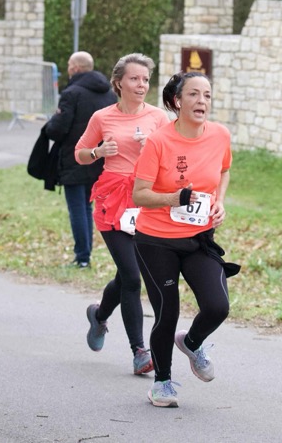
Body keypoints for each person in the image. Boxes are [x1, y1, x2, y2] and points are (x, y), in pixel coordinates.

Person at [133, 72, 234, 408]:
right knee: (167, 313)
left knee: (218, 306)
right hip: (156, 241)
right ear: (177, 101)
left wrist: (219, 202)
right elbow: (140, 194)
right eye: (193, 94)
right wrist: (173, 198)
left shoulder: (220, 135)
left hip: (199, 238)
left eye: (207, 95)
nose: (201, 101)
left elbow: (224, 171)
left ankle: (191, 343)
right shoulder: (158, 141)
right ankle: (161, 383)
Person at [74, 53, 170, 376]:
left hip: (145, 200)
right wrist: (98, 151)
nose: (141, 85)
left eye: (145, 80)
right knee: (131, 276)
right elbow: (80, 153)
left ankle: (99, 315)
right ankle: (139, 352)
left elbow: (170, 158)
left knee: (127, 273)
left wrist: (152, 149)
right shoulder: (102, 117)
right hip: (113, 199)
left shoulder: (158, 117)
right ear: (118, 83)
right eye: (134, 79)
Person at [44, 51, 115, 267]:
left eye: (69, 65)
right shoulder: (110, 94)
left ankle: (83, 258)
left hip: (75, 158)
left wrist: (50, 123)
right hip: (100, 160)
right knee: (87, 207)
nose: (68, 69)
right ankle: (86, 254)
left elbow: (58, 129)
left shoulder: (71, 93)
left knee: (78, 209)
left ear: (75, 68)